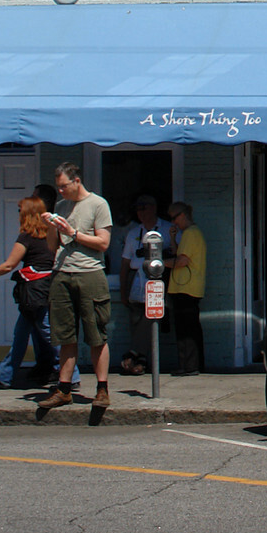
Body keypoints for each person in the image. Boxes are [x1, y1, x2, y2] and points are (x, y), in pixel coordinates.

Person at [38, 161, 112, 416]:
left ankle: (102, 389)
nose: (60, 191)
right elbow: (52, 246)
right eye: (58, 187)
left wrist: (73, 232)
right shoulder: (61, 206)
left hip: (89, 273)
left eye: (64, 186)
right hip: (62, 273)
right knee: (64, 335)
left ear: (76, 181)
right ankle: (64, 388)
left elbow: (103, 243)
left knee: (96, 334)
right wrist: (50, 227)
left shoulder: (98, 204)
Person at [0, 195, 65, 389]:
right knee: (23, 331)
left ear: (27, 214)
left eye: (20, 211)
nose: (18, 215)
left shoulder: (27, 237)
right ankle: (4, 374)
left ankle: (70, 375)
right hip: (47, 288)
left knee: (48, 332)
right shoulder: (51, 235)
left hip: (34, 292)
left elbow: (10, 264)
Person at [118, 194, 174, 375]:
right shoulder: (134, 232)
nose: (141, 213)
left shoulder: (166, 229)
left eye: (144, 208)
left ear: (153, 208)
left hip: (158, 281)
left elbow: (177, 254)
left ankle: (133, 355)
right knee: (137, 324)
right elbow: (125, 263)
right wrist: (123, 290)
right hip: (137, 281)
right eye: (138, 209)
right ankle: (140, 362)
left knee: (150, 320)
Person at [167, 201, 206, 376]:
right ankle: (191, 365)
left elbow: (182, 261)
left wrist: (160, 264)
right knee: (188, 327)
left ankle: (190, 365)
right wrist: (173, 239)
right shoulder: (188, 235)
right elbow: (178, 254)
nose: (174, 222)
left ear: (183, 215)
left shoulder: (191, 234)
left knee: (186, 330)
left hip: (186, 288)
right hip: (186, 287)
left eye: (174, 218)